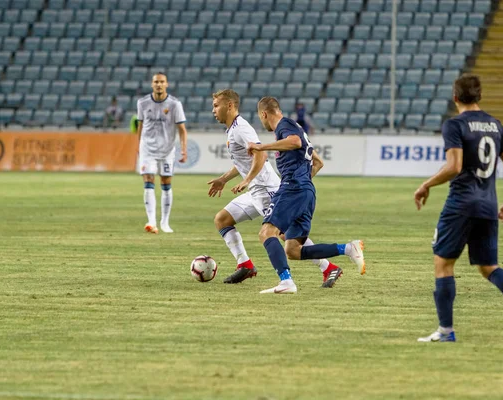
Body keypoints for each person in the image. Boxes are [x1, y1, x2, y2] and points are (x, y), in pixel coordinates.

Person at [413, 74, 503, 342]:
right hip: (488, 204)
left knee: (443, 264)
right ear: (479, 96)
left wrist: (426, 184)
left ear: (455, 97)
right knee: (489, 267)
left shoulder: (455, 125)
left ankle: (446, 331)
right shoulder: (495, 125)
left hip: (461, 203)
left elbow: (454, 167)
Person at [208, 89, 343, 287]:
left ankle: (327, 268)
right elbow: (244, 161)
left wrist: (247, 181)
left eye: (216, 105)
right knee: (222, 219)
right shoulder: (232, 129)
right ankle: (245, 264)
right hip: (255, 190)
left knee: (283, 234)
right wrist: (224, 179)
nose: (213, 110)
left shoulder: (241, 129)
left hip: (266, 189)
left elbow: (260, 155)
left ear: (229, 106)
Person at [247, 97, 365, 294]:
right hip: (305, 191)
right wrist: (303, 183)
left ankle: (286, 282)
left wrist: (261, 147)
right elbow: (318, 162)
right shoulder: (296, 127)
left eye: (261, 118)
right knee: (293, 250)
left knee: (266, 233)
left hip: (293, 188)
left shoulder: (285, 126)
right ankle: (348, 249)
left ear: (264, 114)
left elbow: (294, 142)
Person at [136, 72, 188, 234]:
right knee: (148, 181)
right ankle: (151, 221)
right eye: (156, 82)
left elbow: (182, 130)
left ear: (167, 84)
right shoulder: (143, 103)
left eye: (162, 82)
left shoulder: (174, 104)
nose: (159, 84)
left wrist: (184, 149)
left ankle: (165, 222)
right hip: (148, 149)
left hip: (166, 150)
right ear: (152, 84)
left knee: (166, 184)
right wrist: (138, 146)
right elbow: (140, 126)